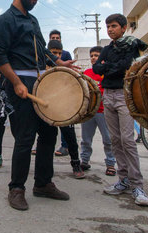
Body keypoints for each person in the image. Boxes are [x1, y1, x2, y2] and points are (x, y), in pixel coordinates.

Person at [0, 0, 77, 211]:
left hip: (41, 81)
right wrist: (17, 82)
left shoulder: (33, 20)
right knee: (25, 138)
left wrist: (60, 63)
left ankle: (43, 183)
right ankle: (16, 188)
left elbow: (42, 48)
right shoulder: (5, 20)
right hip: (20, 83)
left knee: (49, 134)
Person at [93, 13, 148, 206]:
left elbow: (125, 66)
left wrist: (106, 67)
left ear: (124, 28)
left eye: (114, 26)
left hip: (124, 94)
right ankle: (123, 180)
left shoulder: (132, 45)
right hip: (107, 95)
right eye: (108, 26)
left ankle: (137, 185)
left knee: (127, 140)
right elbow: (96, 69)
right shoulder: (108, 49)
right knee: (115, 139)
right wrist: (109, 67)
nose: (110, 30)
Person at [47, 39, 84, 179]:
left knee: (70, 138)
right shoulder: (42, 68)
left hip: (63, 108)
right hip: (48, 108)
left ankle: (76, 164)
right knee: (48, 139)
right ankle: (46, 168)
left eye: (59, 53)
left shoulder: (65, 69)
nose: (57, 56)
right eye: (53, 53)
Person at [79, 45, 116, 176]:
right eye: (92, 56)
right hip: (89, 112)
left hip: (103, 111)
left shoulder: (108, 73)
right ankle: (84, 160)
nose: (94, 58)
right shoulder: (87, 73)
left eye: (96, 55)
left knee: (108, 139)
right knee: (86, 139)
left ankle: (111, 164)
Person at [49, 29, 72, 156]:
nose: (55, 39)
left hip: (63, 90)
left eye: (57, 38)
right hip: (49, 92)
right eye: (53, 38)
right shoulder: (44, 55)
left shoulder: (66, 54)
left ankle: (65, 146)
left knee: (65, 122)